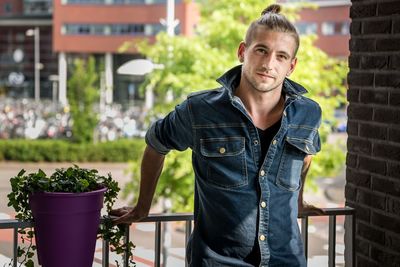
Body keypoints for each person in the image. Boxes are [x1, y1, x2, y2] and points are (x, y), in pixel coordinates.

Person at [111, 4, 324, 266]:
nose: (269, 64)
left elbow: (305, 156)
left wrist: (298, 201)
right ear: (242, 51)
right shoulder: (199, 111)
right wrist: (142, 206)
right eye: (261, 50)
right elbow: (156, 144)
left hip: (286, 259)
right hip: (218, 261)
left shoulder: (308, 113)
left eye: (281, 56)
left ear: (291, 66)